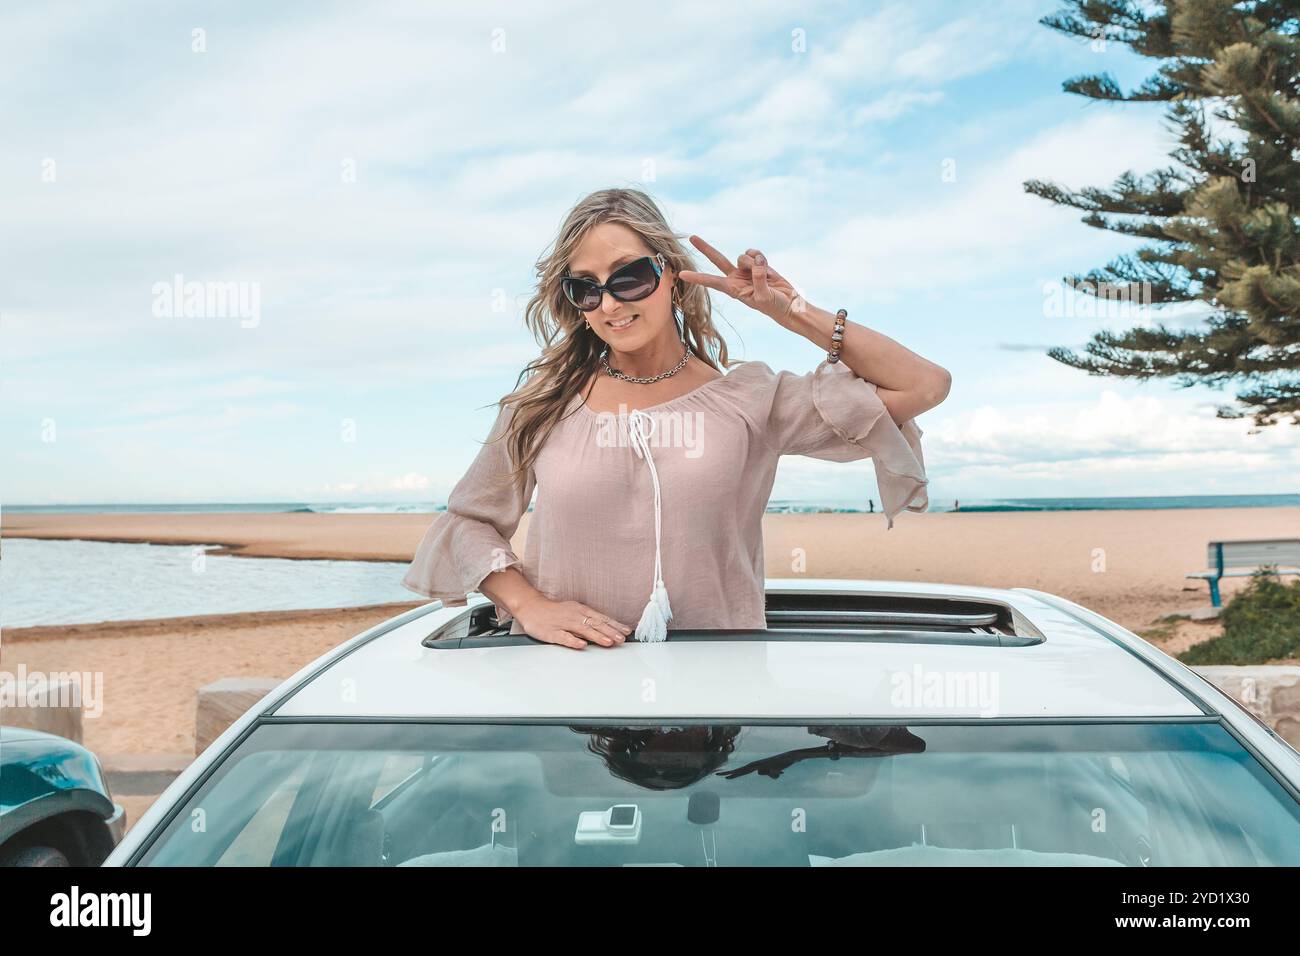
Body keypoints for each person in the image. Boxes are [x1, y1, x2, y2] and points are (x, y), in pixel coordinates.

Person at [401, 187, 949, 649]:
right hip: (566, 686)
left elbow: (923, 385)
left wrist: (791, 311)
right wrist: (531, 606)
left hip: (715, 687)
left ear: (671, 275)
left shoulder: (751, 399)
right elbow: (467, 521)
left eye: (629, 277)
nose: (610, 304)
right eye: (585, 288)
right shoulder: (543, 405)